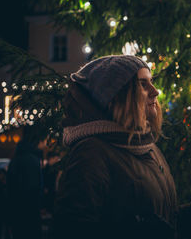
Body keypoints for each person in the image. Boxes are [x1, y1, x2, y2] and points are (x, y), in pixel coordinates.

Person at [53, 55, 178, 239]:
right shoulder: (91, 154)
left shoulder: (146, 145)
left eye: (151, 82)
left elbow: (162, 217)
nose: (155, 91)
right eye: (143, 84)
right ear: (117, 96)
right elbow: (72, 230)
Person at [6, 125, 47, 239]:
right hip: (28, 217)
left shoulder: (18, 157)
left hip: (17, 216)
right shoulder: (31, 161)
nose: (46, 144)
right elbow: (31, 192)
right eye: (45, 139)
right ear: (38, 139)